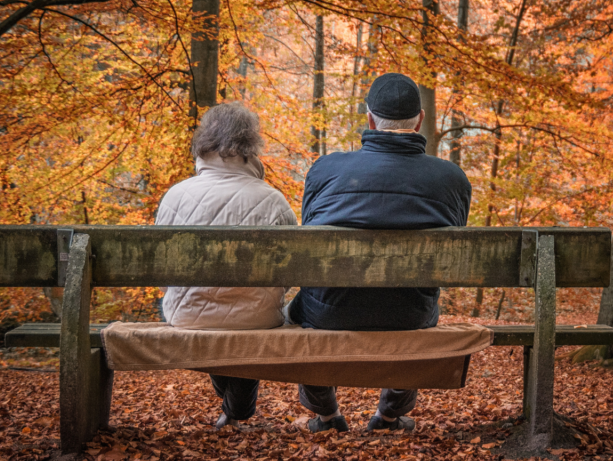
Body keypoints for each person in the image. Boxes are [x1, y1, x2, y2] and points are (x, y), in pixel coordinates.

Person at [288, 72, 472, 433]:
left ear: (369, 119)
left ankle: (326, 416)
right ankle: (389, 416)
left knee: (304, 306)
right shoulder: (451, 179)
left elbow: (311, 233)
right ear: (419, 121)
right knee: (415, 304)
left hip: (330, 312)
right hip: (409, 314)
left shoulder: (325, 170)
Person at [157, 102, 297, 430]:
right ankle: (238, 411)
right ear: (251, 147)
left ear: (204, 144)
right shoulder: (273, 200)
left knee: (217, 322)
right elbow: (291, 271)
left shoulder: (175, 196)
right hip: (258, 317)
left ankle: (235, 411)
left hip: (186, 315)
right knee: (245, 320)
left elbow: (162, 272)